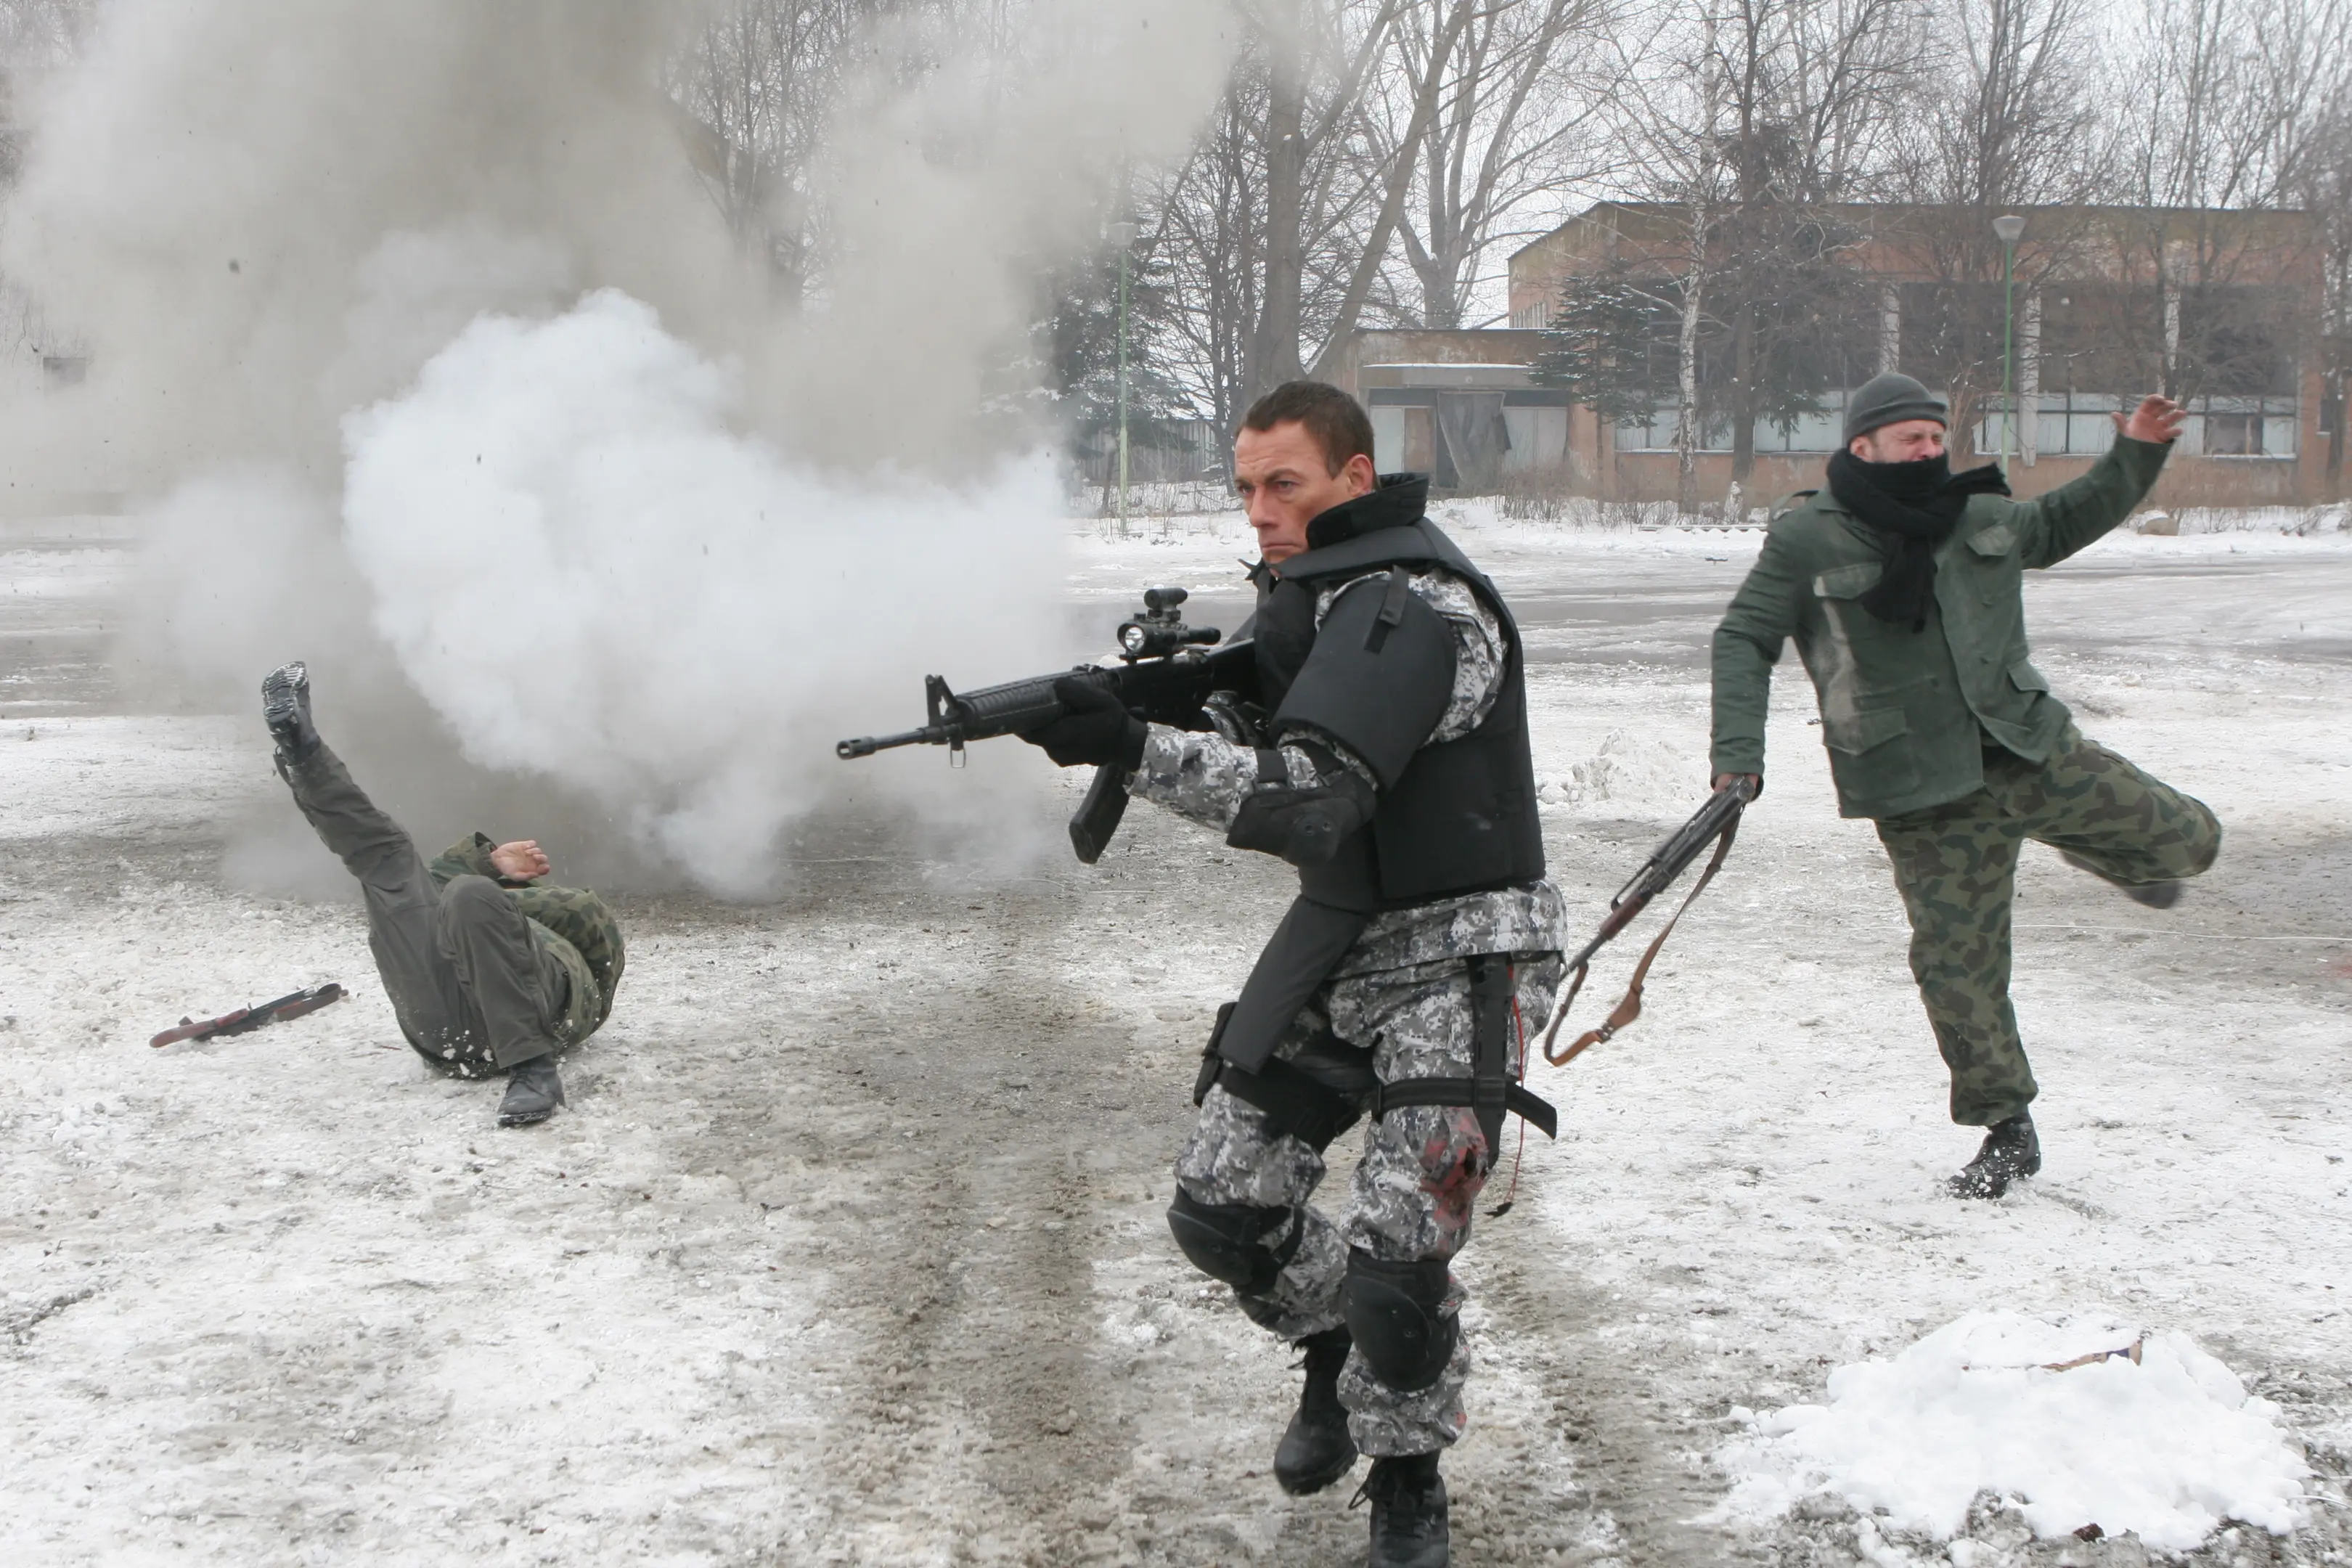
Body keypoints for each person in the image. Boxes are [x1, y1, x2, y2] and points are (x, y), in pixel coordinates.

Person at [1019, 381, 1564, 1568]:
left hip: (1466, 948)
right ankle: (1332, 1348)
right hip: (1345, 937)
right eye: (1246, 488)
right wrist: (1163, 705)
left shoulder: (1424, 612)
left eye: (1287, 486)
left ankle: (1409, 1476)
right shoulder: (1311, 605)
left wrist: (1132, 746)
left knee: (1402, 1260)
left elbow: (1314, 798)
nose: (1260, 512)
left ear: (1355, 482)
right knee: (1224, 1207)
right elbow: (1270, 727)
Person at [1709, 372, 2220, 1199]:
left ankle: (2118, 858)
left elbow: (2061, 521)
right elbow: (1743, 638)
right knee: (1959, 966)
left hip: (2027, 747)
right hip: (1920, 789)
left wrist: (2138, 453)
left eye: (1937, 437)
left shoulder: (1977, 512)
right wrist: (1738, 754)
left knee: (2194, 843)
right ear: (1862, 444)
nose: (1930, 450)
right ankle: (2005, 1127)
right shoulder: (1809, 537)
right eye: (1912, 438)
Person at [259, 661, 624, 1127]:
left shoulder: (554, 928)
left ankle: (534, 1070)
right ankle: (302, 751)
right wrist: (489, 864)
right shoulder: (460, 899)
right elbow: (420, 884)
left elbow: (595, 942)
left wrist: (498, 894)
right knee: (387, 858)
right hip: (446, 1027)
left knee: (467, 896)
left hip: (537, 1016)